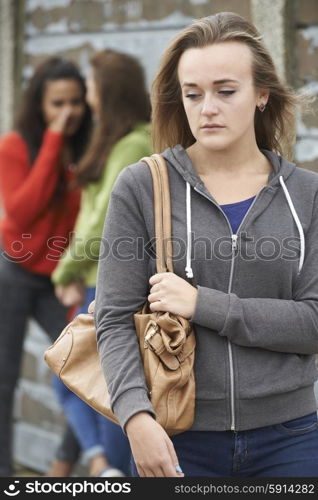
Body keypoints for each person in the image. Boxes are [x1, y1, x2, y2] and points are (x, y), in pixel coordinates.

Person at [94, 12, 318, 478]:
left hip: (291, 440)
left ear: (262, 95)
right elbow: (113, 318)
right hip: (177, 438)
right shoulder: (142, 186)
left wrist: (204, 304)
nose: (207, 108)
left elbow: (314, 321)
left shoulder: (307, 195)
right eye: (193, 94)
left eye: (225, 91)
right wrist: (136, 418)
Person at [51, 49, 152, 477]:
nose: (87, 95)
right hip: (93, 279)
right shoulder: (117, 139)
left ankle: (109, 466)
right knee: (74, 377)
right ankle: (102, 462)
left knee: (104, 386)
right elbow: (88, 217)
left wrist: (65, 271)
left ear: (107, 90)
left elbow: (103, 226)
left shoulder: (134, 144)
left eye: (91, 86)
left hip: (111, 285)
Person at [0, 57, 92, 477]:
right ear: (39, 104)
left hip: (61, 282)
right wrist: (54, 140)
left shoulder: (91, 145)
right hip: (15, 274)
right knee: (4, 381)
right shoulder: (16, 146)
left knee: (89, 368)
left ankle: (64, 464)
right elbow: (22, 213)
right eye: (57, 103)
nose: (68, 113)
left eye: (76, 103)